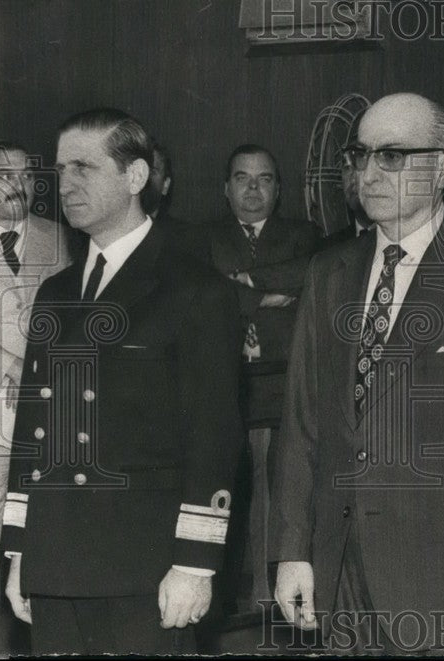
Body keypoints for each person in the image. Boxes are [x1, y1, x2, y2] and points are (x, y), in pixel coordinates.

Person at [268, 92, 444, 654]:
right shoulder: (330, 271)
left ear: (443, 165)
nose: (369, 172)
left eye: (392, 156)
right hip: (337, 567)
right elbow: (301, 424)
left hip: (443, 577)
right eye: (360, 155)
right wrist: (293, 549)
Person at [0, 108, 244, 655]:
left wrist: (194, 564)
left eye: (84, 168)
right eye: (61, 171)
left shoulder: (194, 291)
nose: (66, 185)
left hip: (147, 568)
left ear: (136, 178)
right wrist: (21, 554)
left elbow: (214, 438)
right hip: (57, 564)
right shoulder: (56, 293)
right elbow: (34, 432)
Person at [189, 144, 319, 614]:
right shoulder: (202, 237)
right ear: (226, 189)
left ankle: (268, 590)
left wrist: (241, 282)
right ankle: (222, 593)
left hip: (282, 384)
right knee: (224, 484)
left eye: (264, 179)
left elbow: (310, 274)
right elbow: (203, 288)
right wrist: (263, 296)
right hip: (223, 382)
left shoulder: (305, 235)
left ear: (279, 190)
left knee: (278, 484)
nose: (252, 188)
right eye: (242, 178)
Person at [0, 142, 72, 657]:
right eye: (2, 172)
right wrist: (13, 367)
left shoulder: (58, 240)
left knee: (36, 543)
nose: (16, 182)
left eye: (26, 173)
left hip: (44, 418)